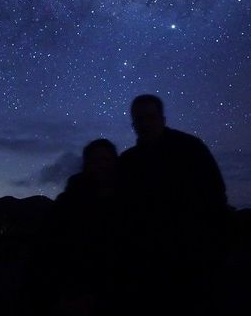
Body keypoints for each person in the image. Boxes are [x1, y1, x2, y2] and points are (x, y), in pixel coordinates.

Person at [116, 94, 229, 315]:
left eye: (150, 117)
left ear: (162, 119)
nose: (145, 124)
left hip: (190, 262)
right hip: (144, 265)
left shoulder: (190, 149)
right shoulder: (127, 162)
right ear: (133, 123)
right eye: (140, 119)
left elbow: (215, 197)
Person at [45, 139, 118, 316]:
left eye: (106, 160)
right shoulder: (68, 203)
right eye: (95, 161)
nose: (101, 165)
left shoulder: (128, 202)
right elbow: (51, 248)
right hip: (76, 295)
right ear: (86, 165)